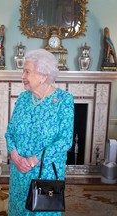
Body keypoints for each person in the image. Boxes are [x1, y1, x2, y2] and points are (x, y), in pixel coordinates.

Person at [5, 49, 74, 215]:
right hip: (19, 171)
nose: (22, 76)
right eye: (23, 71)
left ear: (43, 75)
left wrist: (31, 161)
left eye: (27, 71)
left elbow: (64, 141)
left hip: (46, 174)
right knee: (18, 210)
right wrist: (15, 156)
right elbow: (10, 132)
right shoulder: (22, 98)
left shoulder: (64, 101)